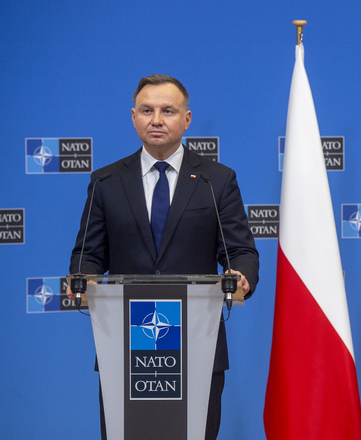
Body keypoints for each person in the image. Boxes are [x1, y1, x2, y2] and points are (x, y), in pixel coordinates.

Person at [68, 74, 260, 440]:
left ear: (186, 119)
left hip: (197, 343)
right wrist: (85, 277)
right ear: (133, 117)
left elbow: (240, 251)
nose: (156, 119)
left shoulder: (215, 180)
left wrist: (241, 275)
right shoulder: (105, 182)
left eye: (167, 110)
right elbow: (87, 255)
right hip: (127, 346)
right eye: (147, 110)